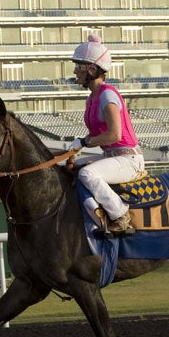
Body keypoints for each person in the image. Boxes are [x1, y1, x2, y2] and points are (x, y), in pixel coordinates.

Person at [67, 35, 145, 236]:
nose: (75, 70)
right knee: (72, 168)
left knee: (87, 173)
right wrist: (76, 149)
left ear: (92, 69)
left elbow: (114, 134)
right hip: (112, 157)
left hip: (129, 159)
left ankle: (119, 215)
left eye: (79, 66)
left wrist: (83, 142)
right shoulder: (91, 99)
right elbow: (96, 137)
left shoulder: (107, 95)